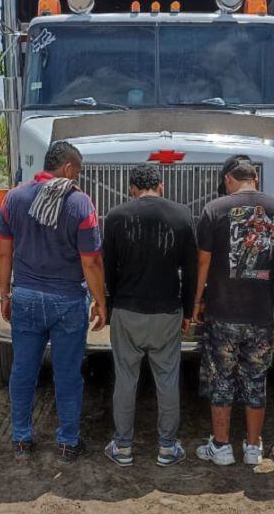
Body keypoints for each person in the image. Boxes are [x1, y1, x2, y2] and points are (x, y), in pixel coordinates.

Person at [0, 141, 107, 464]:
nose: (79, 179)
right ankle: (68, 442)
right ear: (69, 168)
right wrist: (100, 301)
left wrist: (5, 294)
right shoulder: (79, 204)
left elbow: (4, 253)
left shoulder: (14, 198)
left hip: (26, 296)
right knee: (68, 373)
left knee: (23, 370)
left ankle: (20, 438)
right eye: (79, 173)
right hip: (67, 299)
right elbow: (91, 262)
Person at [193, 155, 274, 466]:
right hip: (261, 311)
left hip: (223, 310)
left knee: (222, 377)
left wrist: (197, 301)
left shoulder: (214, 209)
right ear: (255, 179)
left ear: (228, 180)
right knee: (255, 379)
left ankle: (221, 446)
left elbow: (203, 263)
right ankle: (252, 447)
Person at [102, 164, 197, 467]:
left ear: (131, 188)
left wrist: (111, 303)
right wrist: (188, 309)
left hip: (127, 309)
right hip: (167, 310)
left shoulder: (116, 217)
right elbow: (191, 270)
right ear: (162, 185)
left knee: (126, 378)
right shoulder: (182, 215)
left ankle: (123, 447)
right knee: (167, 379)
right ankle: (167, 448)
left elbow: (108, 268)